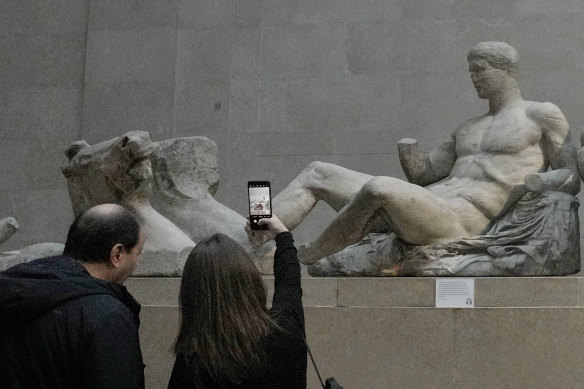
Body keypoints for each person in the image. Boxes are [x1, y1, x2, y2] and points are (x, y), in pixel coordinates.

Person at [266, 41, 580, 264]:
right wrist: (408, 151)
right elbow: (423, 175)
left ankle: (307, 253)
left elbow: (570, 177)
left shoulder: (540, 114)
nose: (473, 77)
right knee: (318, 171)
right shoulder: (468, 127)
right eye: (470, 70)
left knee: (379, 187)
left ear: (505, 70)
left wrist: (538, 183)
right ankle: (252, 239)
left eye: (479, 70)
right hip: (426, 207)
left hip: (463, 221)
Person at [0, 203, 147, 389]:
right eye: (138, 252)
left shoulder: (14, 287)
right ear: (116, 254)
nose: (137, 263)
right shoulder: (107, 315)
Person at [168, 215, 307, 389]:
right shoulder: (286, 328)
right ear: (250, 281)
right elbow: (289, 283)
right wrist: (282, 234)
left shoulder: (195, 359)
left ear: (192, 295)